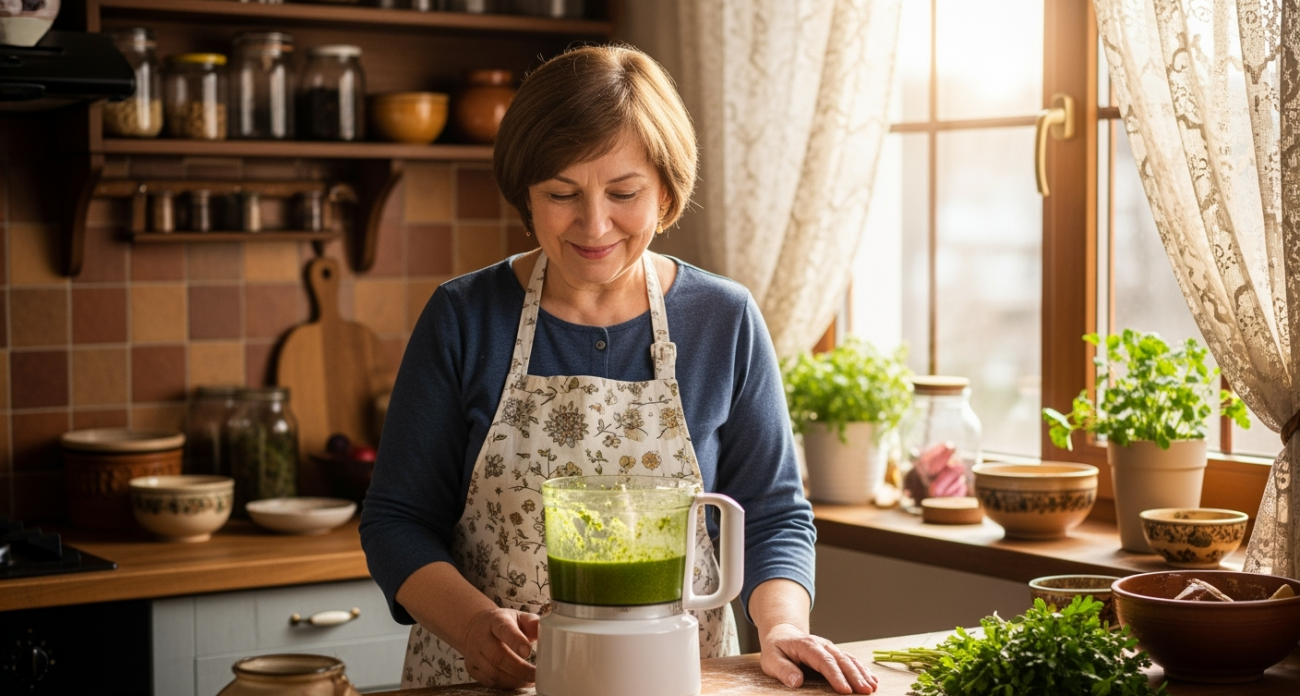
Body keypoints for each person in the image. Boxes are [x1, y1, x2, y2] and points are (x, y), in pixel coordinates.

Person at [359, 44, 878, 695]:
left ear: (666, 191)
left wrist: (779, 629)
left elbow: (772, 513)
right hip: (487, 681)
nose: (595, 223)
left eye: (624, 192)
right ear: (527, 193)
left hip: (679, 679)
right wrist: (473, 628)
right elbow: (395, 520)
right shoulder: (464, 317)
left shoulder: (724, 320)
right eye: (561, 193)